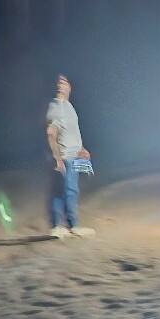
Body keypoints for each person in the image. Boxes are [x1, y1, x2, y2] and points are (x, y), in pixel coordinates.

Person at [46, 74, 95, 238]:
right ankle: (66, 225)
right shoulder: (57, 106)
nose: (62, 85)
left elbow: (71, 131)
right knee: (68, 190)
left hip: (73, 155)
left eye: (65, 82)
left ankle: (63, 226)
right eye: (59, 83)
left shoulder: (68, 106)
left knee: (66, 190)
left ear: (70, 87)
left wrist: (81, 148)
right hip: (65, 155)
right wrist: (58, 158)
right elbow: (51, 133)